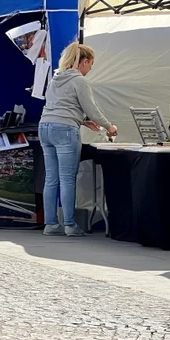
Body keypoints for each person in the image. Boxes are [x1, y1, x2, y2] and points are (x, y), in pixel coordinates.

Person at [39, 42, 118, 237]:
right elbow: (91, 108)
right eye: (91, 63)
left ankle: (50, 224)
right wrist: (109, 126)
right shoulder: (79, 81)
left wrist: (82, 121)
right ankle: (70, 225)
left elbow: (59, 105)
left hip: (45, 127)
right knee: (67, 179)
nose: (91, 68)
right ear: (83, 62)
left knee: (51, 179)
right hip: (65, 131)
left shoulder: (55, 78)